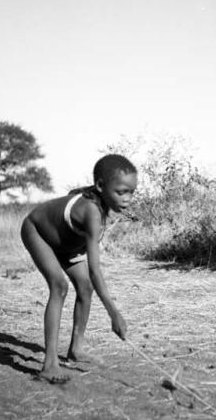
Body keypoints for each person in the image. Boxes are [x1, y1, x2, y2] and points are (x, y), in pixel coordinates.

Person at [21, 154, 138, 384]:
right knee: (59, 286)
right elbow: (95, 271)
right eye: (121, 192)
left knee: (84, 288)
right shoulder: (92, 212)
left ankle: (75, 350)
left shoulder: (100, 202)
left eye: (131, 192)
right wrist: (113, 314)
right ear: (101, 186)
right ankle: (49, 364)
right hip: (37, 232)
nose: (127, 199)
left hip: (66, 244)